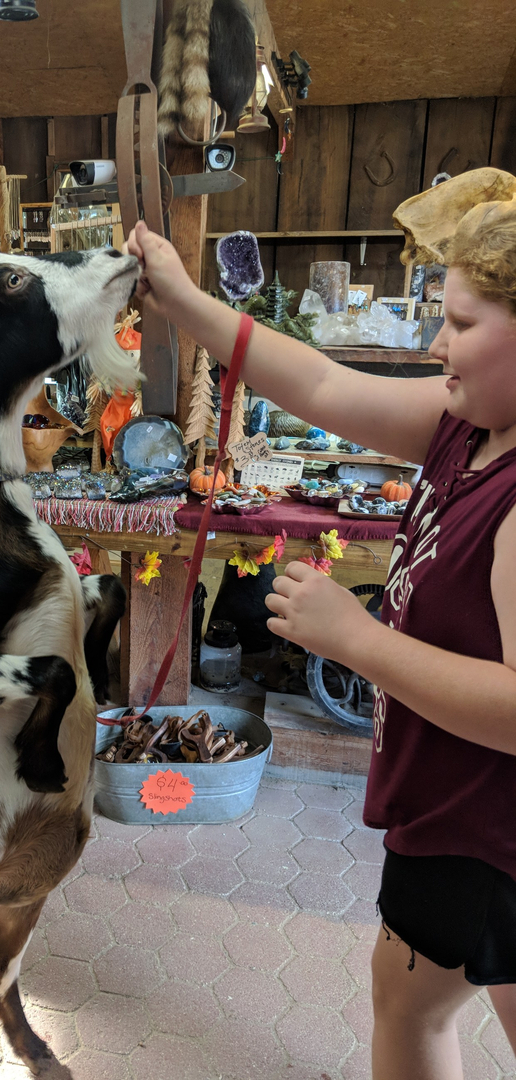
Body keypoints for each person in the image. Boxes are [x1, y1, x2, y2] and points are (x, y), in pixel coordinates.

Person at [125, 209, 516, 1080]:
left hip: (482, 828)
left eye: (458, 325)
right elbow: (323, 386)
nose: (437, 346)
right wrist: (186, 301)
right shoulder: (471, 424)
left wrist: (360, 640)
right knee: (433, 998)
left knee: (409, 1010)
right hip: (466, 814)